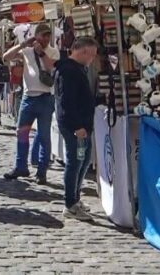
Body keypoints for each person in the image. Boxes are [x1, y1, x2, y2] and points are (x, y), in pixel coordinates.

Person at [2, 22, 59, 185]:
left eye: (49, 35)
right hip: (28, 98)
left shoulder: (53, 51)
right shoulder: (27, 51)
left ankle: (42, 172)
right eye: (44, 35)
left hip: (45, 98)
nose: (46, 38)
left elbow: (52, 68)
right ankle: (21, 166)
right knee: (22, 133)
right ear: (37, 36)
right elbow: (6, 57)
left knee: (44, 136)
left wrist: (41, 54)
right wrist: (23, 45)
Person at [55, 36, 99, 220]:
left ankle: (75, 197)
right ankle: (70, 204)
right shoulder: (69, 71)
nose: (93, 59)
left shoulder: (75, 69)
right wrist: (77, 126)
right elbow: (67, 101)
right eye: (92, 55)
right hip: (76, 126)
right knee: (75, 162)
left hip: (81, 124)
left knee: (83, 160)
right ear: (83, 51)